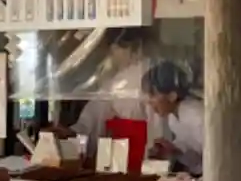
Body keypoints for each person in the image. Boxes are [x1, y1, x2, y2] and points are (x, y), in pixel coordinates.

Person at [64, 59, 205, 174]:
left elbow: (213, 158)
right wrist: (173, 149)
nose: (149, 101)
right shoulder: (173, 118)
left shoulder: (197, 116)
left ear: (172, 96)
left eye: (153, 95)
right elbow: (195, 156)